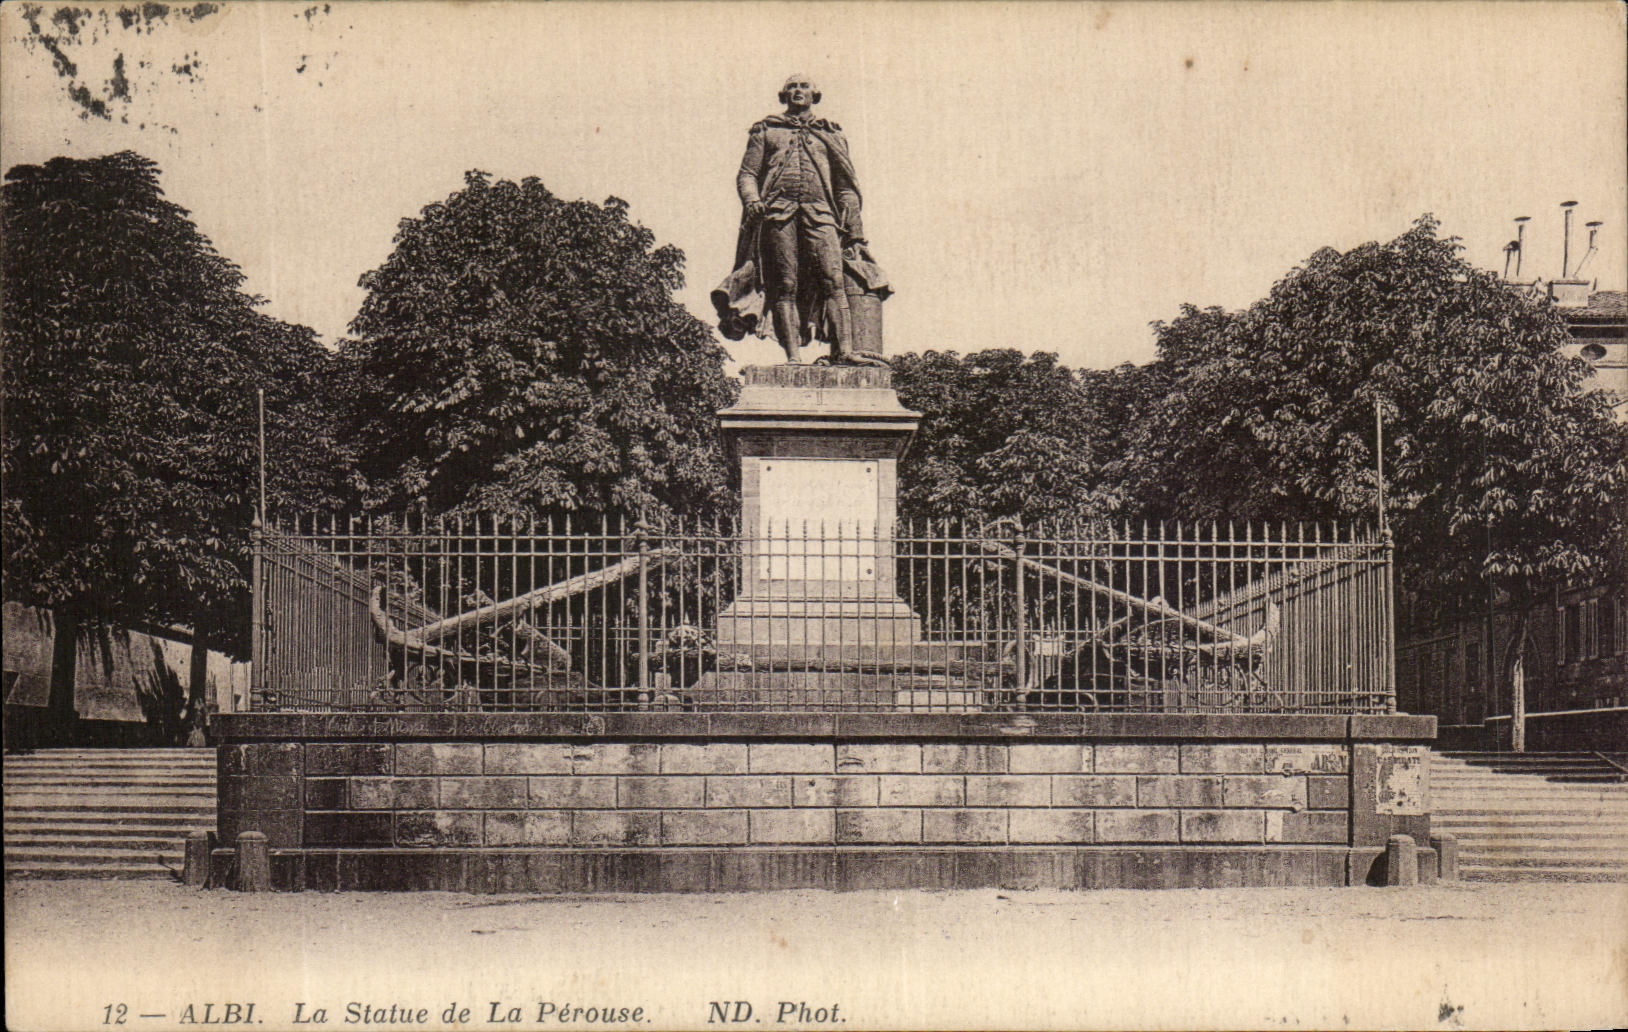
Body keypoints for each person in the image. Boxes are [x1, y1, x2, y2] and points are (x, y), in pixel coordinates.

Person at [713, 75, 886, 365]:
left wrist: (855, 233)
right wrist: (753, 200)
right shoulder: (766, 130)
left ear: (814, 95)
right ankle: (793, 358)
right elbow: (747, 174)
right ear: (783, 95)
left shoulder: (830, 133)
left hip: (821, 214)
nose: (797, 91)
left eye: (804, 86)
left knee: (833, 281)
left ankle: (845, 351)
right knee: (785, 285)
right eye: (791, 87)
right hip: (778, 213)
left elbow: (845, 187)